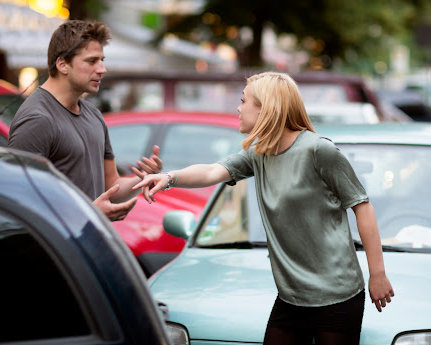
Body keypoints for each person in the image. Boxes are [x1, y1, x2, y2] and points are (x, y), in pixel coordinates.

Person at [133, 72, 394, 345]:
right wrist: (168, 179)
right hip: (292, 298)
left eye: (244, 100)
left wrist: (377, 274)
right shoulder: (260, 154)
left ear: (266, 108)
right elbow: (211, 171)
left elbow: (362, 206)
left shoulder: (318, 151)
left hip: (337, 298)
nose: (238, 107)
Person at [8, 20, 161, 221]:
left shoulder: (93, 114)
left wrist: (142, 180)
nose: (102, 69)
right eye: (92, 61)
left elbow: (111, 185)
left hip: (87, 245)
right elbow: (19, 203)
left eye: (102, 60)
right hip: (52, 251)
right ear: (62, 64)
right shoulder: (37, 119)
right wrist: (88, 213)